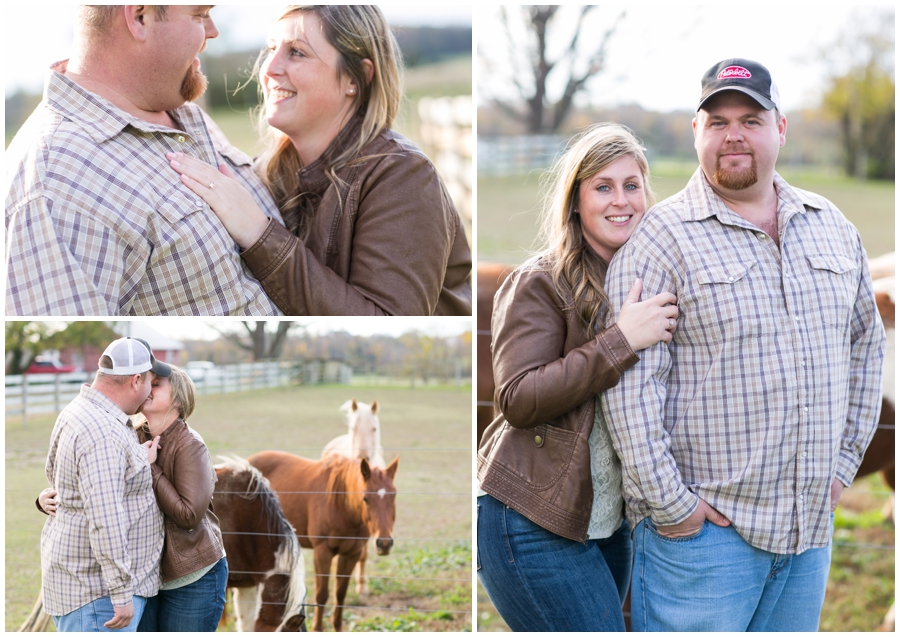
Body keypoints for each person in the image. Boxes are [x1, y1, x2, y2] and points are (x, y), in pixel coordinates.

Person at [601, 58, 886, 631]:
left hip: (808, 537)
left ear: (780, 128)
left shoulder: (832, 226)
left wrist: (841, 469)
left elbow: (866, 350)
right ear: (696, 133)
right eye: (718, 121)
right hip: (706, 544)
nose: (733, 134)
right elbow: (630, 387)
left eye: (751, 119)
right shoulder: (662, 239)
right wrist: (674, 509)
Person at [476, 124, 679, 631]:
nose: (621, 201)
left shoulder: (644, 285)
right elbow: (518, 398)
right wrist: (621, 341)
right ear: (575, 202)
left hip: (610, 526)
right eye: (603, 187)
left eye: (632, 185)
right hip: (529, 518)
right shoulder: (541, 282)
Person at [166, 5, 472, 316]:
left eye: (297, 52)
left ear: (356, 77)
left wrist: (260, 234)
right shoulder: (263, 174)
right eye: (271, 49)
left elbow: (389, 321)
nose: (269, 68)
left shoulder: (402, 176)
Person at [5, 6, 283, 316]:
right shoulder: (57, 179)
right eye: (199, 14)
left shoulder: (183, 113)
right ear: (140, 17)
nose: (213, 30)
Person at [40, 359, 227, 632]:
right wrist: (46, 498)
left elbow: (188, 515)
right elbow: (99, 489)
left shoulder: (190, 445)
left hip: (190, 576)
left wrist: (149, 467)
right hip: (146, 576)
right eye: (147, 382)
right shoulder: (131, 433)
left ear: (178, 398)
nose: (147, 388)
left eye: (156, 385)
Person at [39, 338, 166, 631]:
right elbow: (106, 519)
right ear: (136, 380)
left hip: (89, 590)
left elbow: (57, 476)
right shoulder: (103, 434)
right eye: (150, 382)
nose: (149, 391)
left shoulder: (79, 410)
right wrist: (121, 594)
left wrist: (137, 460)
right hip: (100, 597)